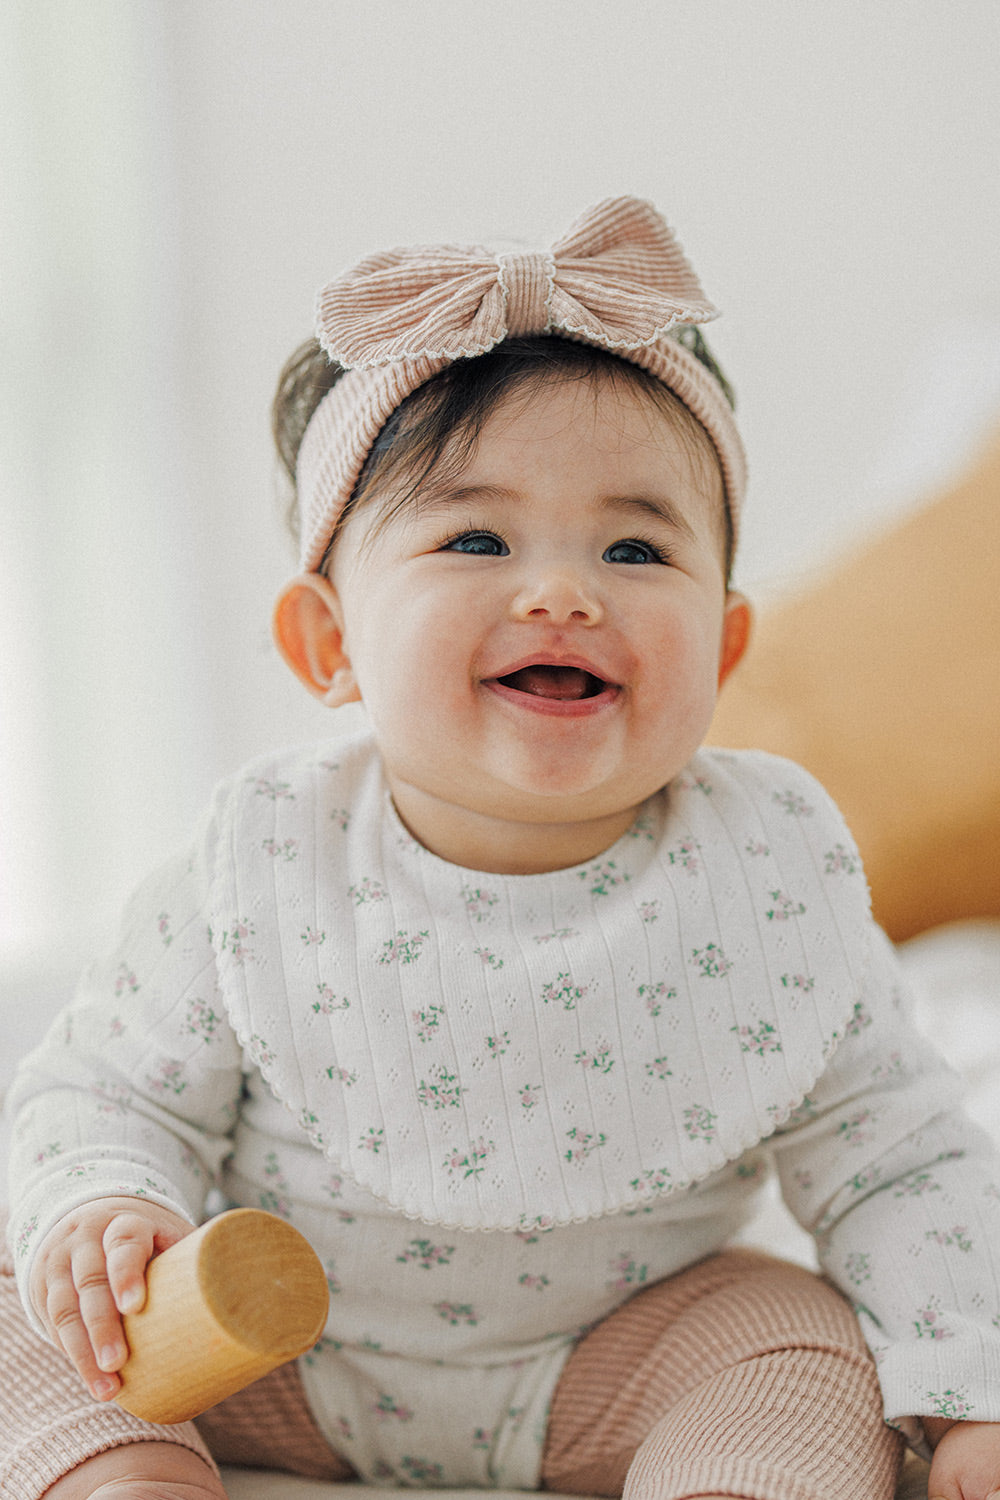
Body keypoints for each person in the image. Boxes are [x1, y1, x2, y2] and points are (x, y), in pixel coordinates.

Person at [4, 196, 1000, 1500]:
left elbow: (899, 1156)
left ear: (724, 649)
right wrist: (106, 1207)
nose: (564, 592)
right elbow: (111, 1091)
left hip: (619, 1350)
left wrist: (970, 1394)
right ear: (329, 643)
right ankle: (126, 1475)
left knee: (800, 1342)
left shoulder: (766, 877)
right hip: (257, 1343)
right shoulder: (261, 862)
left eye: (635, 547)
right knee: (31, 1300)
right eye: (476, 538)